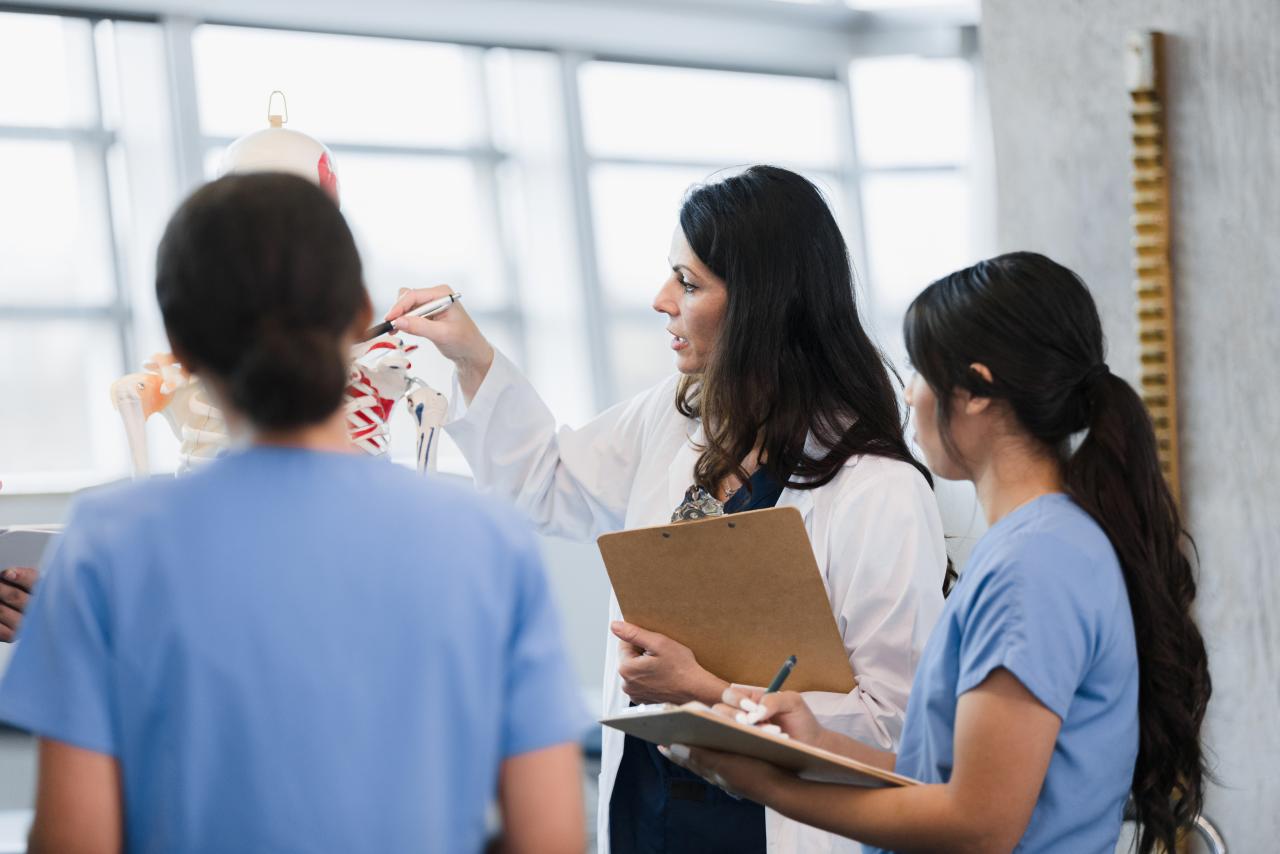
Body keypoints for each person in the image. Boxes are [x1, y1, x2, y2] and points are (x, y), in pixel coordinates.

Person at [0, 173, 587, 854]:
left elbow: (75, 842)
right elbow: (551, 839)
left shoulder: (108, 546)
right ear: (362, 315)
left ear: (181, 352)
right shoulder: (491, 545)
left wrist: (84, 632)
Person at [387, 165, 949, 854]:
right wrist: (472, 355)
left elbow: (892, 730)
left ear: (761, 303)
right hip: (651, 810)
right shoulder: (676, 417)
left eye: (688, 283)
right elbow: (546, 483)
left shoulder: (879, 489)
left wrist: (707, 690)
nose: (660, 300)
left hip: (774, 830)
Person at [663, 252, 1212, 854]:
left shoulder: (1036, 565)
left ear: (975, 390)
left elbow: (978, 825)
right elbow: (951, 778)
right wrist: (813, 743)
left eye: (920, 372)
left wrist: (766, 785)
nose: (907, 393)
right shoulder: (1043, 545)